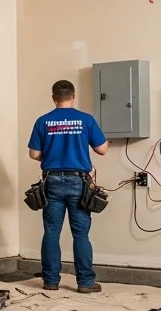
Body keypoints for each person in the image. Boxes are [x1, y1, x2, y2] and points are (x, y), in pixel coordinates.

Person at [27, 79, 109, 292]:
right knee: (80, 233)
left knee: (51, 231)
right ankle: (85, 283)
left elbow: (34, 154)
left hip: (51, 180)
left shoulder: (43, 121)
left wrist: (53, 156)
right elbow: (102, 149)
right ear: (73, 96)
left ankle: (51, 281)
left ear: (54, 98)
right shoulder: (86, 120)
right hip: (78, 181)